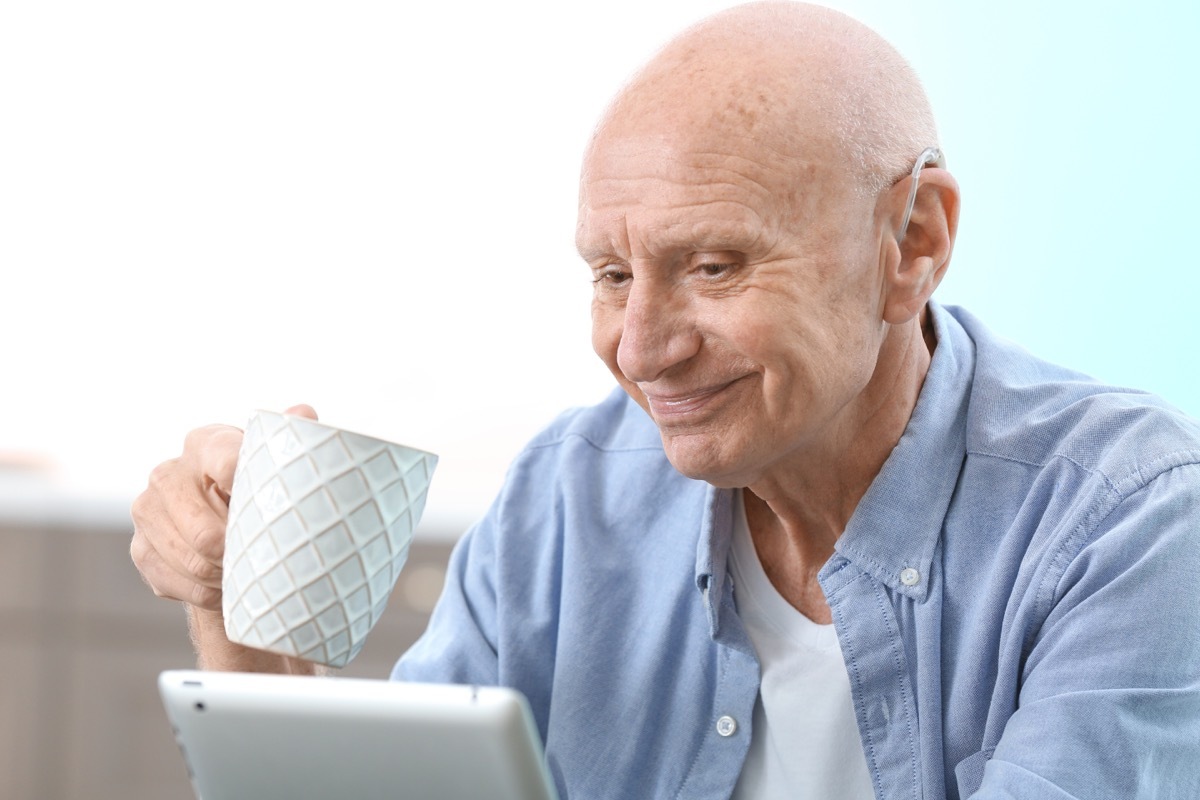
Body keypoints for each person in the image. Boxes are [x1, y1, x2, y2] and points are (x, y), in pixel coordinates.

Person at [130, 2, 1200, 798]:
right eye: (609, 274)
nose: (640, 348)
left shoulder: (1129, 517)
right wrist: (239, 625)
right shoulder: (568, 496)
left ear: (913, 242)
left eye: (717, 266)